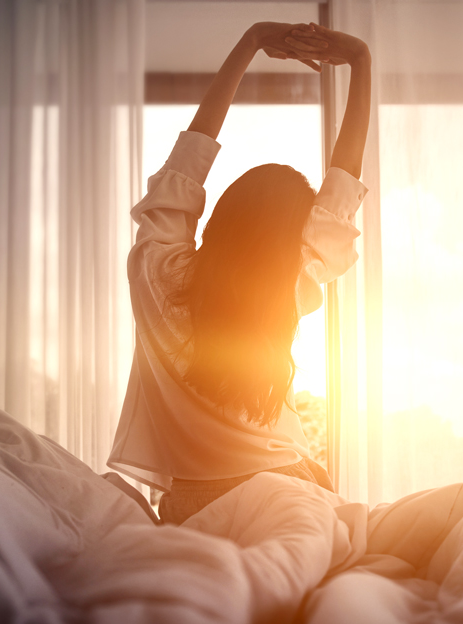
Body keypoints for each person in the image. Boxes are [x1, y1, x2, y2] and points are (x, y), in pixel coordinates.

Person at [107, 22, 371, 524]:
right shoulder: (289, 285)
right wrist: (360, 60)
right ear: (292, 238)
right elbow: (342, 185)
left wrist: (250, 42)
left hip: (191, 504)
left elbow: (187, 162)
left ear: (223, 214)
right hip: (290, 487)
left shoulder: (154, 270)